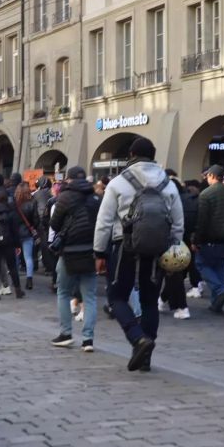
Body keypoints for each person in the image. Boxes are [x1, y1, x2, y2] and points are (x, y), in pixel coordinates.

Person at [94, 138, 184, 371]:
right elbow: (178, 223)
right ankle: (145, 356)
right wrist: (173, 245)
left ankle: (137, 338)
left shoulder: (118, 182)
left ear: (131, 154)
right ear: (154, 155)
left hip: (124, 247)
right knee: (149, 300)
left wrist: (99, 250)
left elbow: (104, 221)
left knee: (117, 297)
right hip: (157, 250)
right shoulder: (168, 183)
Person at [50, 166, 100, 352]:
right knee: (90, 297)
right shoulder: (96, 198)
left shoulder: (64, 197)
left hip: (69, 251)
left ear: (68, 179)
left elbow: (54, 224)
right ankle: (88, 339)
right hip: (91, 251)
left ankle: (66, 334)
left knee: (63, 292)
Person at [193, 165, 224, 313]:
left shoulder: (206, 194)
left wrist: (196, 240)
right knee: (220, 269)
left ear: (213, 176)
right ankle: (216, 304)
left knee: (202, 264)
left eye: (208, 175)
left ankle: (220, 290)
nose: (207, 178)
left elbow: (202, 220)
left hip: (210, 238)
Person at [157, 173, 191, 320]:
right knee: (172, 274)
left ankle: (181, 306)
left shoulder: (161, 200)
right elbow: (180, 224)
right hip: (175, 241)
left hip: (160, 240)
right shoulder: (183, 200)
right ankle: (164, 300)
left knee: (168, 275)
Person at [0, 189, 24, 300]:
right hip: (8, 242)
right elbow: (15, 230)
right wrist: (17, 245)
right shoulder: (10, 211)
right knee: (12, 267)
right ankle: (18, 290)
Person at [12, 182, 39, 290]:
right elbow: (36, 220)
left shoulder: (14, 202)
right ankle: (29, 280)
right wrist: (33, 227)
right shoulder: (32, 203)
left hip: (15, 233)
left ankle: (16, 280)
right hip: (27, 232)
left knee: (15, 257)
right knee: (28, 257)